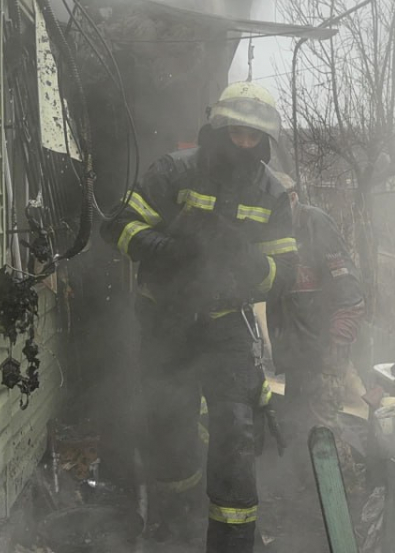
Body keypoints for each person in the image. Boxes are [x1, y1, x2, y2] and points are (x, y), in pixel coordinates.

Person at [101, 81, 297, 552]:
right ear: (218, 128)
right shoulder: (175, 170)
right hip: (166, 320)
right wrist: (172, 251)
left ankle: (231, 544)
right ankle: (174, 530)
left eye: (254, 136)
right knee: (169, 426)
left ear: (265, 139)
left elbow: (282, 276)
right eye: (236, 133)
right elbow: (118, 226)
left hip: (227, 321)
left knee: (234, 433)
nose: (245, 144)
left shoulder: (271, 192)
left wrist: (249, 261)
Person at [266, 174, 367, 493]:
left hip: (324, 350)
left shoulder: (316, 224)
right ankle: (311, 501)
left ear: (293, 198)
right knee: (299, 429)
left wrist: (336, 346)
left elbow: (350, 292)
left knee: (326, 429)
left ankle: (347, 503)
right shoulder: (271, 232)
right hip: (297, 354)